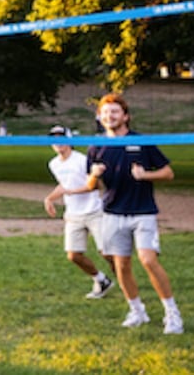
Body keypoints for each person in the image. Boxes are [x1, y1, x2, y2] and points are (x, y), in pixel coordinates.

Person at [88, 93, 182, 334]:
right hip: (112, 213)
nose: (110, 116)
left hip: (143, 212)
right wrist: (94, 175)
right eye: (106, 112)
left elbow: (168, 173)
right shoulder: (96, 146)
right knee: (121, 266)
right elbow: (91, 187)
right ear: (100, 117)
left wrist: (145, 175)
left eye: (115, 111)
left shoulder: (142, 142)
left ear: (126, 116)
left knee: (149, 260)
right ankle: (137, 311)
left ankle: (172, 314)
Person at [42, 125, 116, 299]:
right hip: (73, 214)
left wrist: (72, 191)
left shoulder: (82, 160)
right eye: (54, 139)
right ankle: (101, 280)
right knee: (74, 255)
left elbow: (97, 185)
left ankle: (124, 276)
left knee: (107, 252)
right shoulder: (53, 164)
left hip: (94, 210)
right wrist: (50, 198)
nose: (58, 143)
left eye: (62, 138)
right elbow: (64, 184)